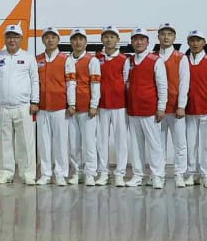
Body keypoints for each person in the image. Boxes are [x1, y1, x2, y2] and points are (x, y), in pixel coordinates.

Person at [0, 25, 39, 185]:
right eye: (9, 37)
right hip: (3, 106)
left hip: (23, 106)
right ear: (5, 39)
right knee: (5, 141)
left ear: (21, 39)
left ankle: (28, 174)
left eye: (16, 37)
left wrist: (35, 101)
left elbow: (34, 80)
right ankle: (6, 173)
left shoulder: (28, 57)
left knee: (25, 142)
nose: (12, 40)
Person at [122, 28, 169, 188]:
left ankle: (157, 176)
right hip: (133, 110)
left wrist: (161, 107)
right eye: (136, 39)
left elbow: (162, 86)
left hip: (150, 110)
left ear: (148, 42)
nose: (139, 42)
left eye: (142, 39)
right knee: (136, 144)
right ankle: (138, 175)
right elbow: (125, 83)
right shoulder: (128, 61)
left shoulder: (156, 60)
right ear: (132, 42)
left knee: (154, 144)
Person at [176, 30, 207, 188]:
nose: (195, 44)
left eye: (198, 40)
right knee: (191, 144)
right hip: (189, 110)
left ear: (204, 42)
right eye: (192, 40)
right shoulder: (184, 60)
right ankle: (192, 174)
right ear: (188, 43)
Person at [35, 28, 76, 186]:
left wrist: (71, 103)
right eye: (47, 37)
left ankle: (60, 173)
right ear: (43, 40)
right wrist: (34, 102)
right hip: (42, 107)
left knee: (60, 142)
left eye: (53, 37)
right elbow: (34, 83)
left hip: (60, 107)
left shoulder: (66, 59)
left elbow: (71, 83)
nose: (50, 40)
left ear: (58, 40)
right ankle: (46, 173)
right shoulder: (37, 59)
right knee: (44, 143)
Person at [95, 27, 130, 185]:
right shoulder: (96, 58)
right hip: (102, 105)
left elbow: (127, 82)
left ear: (117, 40)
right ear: (102, 40)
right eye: (106, 37)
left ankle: (120, 173)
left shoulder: (125, 59)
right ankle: (103, 172)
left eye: (112, 37)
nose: (109, 40)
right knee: (101, 140)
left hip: (120, 106)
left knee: (120, 140)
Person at [154, 24, 186, 184]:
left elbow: (184, 83)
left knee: (180, 144)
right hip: (158, 109)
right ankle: (158, 175)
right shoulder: (152, 57)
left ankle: (179, 174)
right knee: (158, 144)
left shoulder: (181, 57)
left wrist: (181, 106)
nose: (166, 37)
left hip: (175, 108)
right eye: (163, 34)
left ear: (174, 37)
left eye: (169, 34)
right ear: (158, 37)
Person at [68, 30, 101, 184]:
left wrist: (94, 105)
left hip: (87, 108)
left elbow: (96, 84)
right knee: (74, 143)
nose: (78, 42)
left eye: (81, 39)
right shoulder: (67, 59)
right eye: (75, 39)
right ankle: (76, 172)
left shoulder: (92, 60)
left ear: (85, 42)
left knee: (89, 142)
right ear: (71, 42)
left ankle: (90, 173)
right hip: (70, 109)